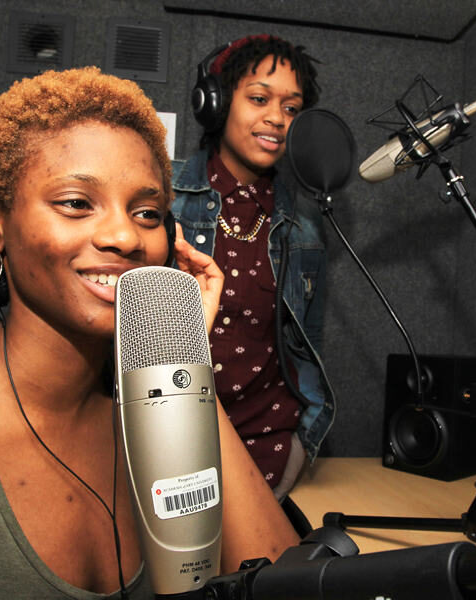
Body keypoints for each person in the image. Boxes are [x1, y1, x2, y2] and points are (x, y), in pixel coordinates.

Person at [0, 67, 298, 599]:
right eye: (77, 203)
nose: (124, 235)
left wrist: (181, 354)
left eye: (148, 213)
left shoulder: (166, 397)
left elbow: (282, 582)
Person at [172, 35, 335, 499]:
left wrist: (300, 449)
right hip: (170, 445)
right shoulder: (159, 199)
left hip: (268, 455)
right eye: (259, 99)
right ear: (216, 102)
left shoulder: (304, 231)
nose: (276, 119)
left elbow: (308, 354)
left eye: (291, 109)